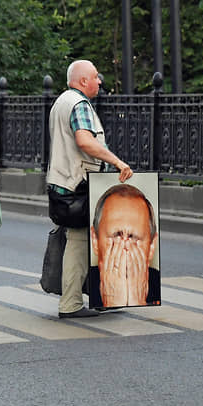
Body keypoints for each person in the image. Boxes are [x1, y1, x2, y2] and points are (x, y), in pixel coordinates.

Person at [47, 59, 133, 318]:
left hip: (63, 182)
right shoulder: (79, 104)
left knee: (84, 240)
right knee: (81, 240)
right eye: (96, 77)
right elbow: (85, 141)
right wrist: (116, 161)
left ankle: (97, 297)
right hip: (79, 184)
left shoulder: (61, 101)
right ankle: (71, 304)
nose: (99, 81)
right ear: (83, 81)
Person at [88, 183, 160, 308]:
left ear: (152, 245)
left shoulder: (159, 286)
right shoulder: (82, 286)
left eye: (133, 237)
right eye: (116, 235)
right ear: (95, 240)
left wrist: (138, 303)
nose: (125, 247)